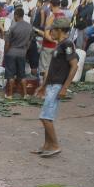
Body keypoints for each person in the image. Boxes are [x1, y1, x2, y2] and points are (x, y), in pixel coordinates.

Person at [34, 18, 78, 158]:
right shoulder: (59, 45)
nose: (50, 33)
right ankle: (47, 145)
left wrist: (65, 87)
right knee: (46, 116)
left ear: (59, 30)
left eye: (52, 30)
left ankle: (54, 145)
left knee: (45, 117)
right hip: (51, 84)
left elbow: (74, 66)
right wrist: (43, 85)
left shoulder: (67, 44)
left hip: (57, 85)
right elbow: (51, 69)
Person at [3, 7, 33, 98]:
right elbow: (29, 42)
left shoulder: (13, 27)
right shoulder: (29, 27)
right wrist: (25, 50)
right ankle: (25, 94)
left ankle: (10, 94)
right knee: (22, 74)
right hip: (22, 53)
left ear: (16, 15)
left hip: (11, 52)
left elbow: (7, 43)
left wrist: (5, 53)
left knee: (10, 75)